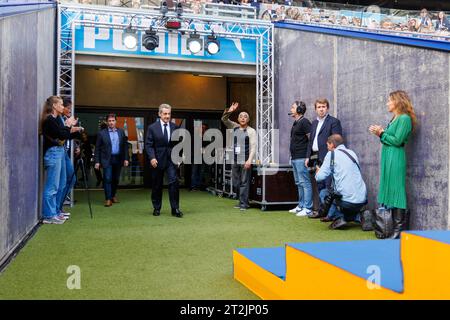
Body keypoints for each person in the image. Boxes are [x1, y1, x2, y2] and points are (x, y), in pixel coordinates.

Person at [369, 90, 416, 239]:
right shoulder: (395, 118)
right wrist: (380, 133)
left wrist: (382, 133)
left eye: (389, 100)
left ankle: (399, 228)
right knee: (389, 188)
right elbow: (389, 138)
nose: (387, 103)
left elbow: (397, 140)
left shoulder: (404, 119)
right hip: (388, 156)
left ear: (397, 101)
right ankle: (391, 226)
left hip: (396, 157)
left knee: (397, 190)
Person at [41, 96, 80, 224]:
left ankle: (55, 211)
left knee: (60, 184)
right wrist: (68, 125)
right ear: (54, 106)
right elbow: (62, 134)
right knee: (52, 186)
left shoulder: (56, 119)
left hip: (59, 152)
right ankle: (48, 215)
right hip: (53, 153)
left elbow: (64, 134)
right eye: (61, 104)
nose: (63, 107)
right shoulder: (49, 120)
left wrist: (74, 130)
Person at [315, 134, 367, 230]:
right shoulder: (352, 153)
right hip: (362, 198)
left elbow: (319, 177)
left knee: (324, 193)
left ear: (332, 144)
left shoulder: (331, 154)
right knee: (339, 192)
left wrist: (318, 171)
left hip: (347, 200)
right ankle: (359, 217)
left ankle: (342, 218)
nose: (327, 147)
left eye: (327, 145)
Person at [305, 98, 342, 219]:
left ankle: (331, 214)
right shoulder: (314, 123)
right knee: (319, 185)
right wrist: (308, 157)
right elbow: (311, 142)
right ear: (315, 109)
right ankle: (322, 211)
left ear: (327, 108)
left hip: (328, 158)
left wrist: (331, 157)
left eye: (324, 106)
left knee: (328, 185)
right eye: (319, 107)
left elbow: (336, 141)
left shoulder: (334, 122)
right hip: (315, 158)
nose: (321, 109)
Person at [145, 104, 183, 217]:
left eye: (169, 114)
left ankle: (175, 209)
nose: (167, 116)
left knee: (174, 183)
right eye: (165, 113)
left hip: (171, 160)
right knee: (157, 185)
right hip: (157, 160)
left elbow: (178, 144)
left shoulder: (175, 127)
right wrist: (152, 157)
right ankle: (157, 208)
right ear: (160, 114)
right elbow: (148, 145)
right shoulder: (152, 128)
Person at [221, 102, 256, 211]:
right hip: (235, 159)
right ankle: (241, 201)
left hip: (245, 159)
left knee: (244, 182)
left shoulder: (251, 131)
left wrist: (249, 160)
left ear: (248, 120)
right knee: (236, 182)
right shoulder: (234, 127)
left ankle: (244, 204)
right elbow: (224, 120)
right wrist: (230, 110)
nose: (243, 118)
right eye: (240, 116)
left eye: (245, 117)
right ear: (237, 119)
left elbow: (253, 147)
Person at [94, 114, 129, 207]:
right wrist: (97, 161)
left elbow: (125, 146)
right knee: (108, 178)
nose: (111, 122)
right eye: (109, 121)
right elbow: (97, 148)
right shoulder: (102, 133)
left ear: (116, 121)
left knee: (116, 179)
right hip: (106, 159)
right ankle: (108, 199)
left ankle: (113, 195)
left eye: (113, 120)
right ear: (107, 122)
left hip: (118, 158)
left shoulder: (121, 132)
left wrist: (126, 158)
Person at [288, 100, 313, 216]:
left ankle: (308, 208)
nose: (291, 109)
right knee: (299, 182)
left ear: (299, 110)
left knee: (305, 182)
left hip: (302, 157)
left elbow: (311, 140)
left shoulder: (305, 122)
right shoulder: (296, 123)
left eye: (293, 108)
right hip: (295, 157)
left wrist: (308, 156)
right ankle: (301, 205)